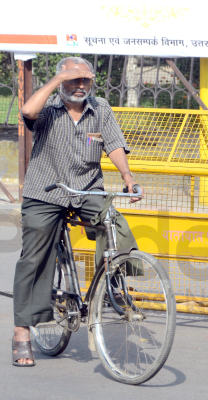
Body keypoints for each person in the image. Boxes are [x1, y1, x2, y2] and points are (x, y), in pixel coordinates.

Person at [12, 56, 141, 366]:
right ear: (62, 81)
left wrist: (127, 177)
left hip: (86, 189)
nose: (81, 85)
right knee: (35, 254)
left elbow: (114, 144)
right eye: (74, 79)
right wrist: (59, 79)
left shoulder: (101, 109)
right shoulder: (50, 108)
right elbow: (27, 112)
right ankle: (21, 334)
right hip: (47, 191)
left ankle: (114, 284)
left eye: (85, 80)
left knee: (113, 221)